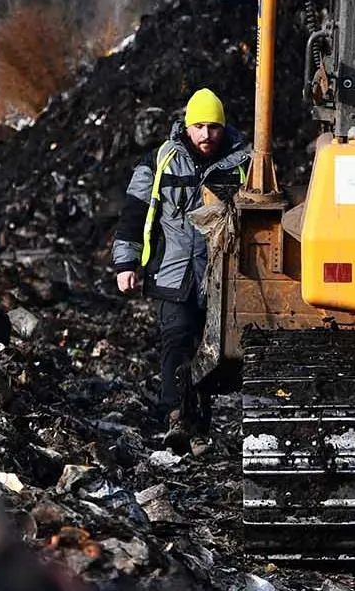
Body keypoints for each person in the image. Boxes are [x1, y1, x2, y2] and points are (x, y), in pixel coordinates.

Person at [110, 87, 250, 448]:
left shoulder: (245, 162)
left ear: (224, 128)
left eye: (214, 127)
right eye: (199, 126)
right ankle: (177, 417)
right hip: (172, 273)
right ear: (187, 126)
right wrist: (126, 262)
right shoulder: (160, 161)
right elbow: (133, 215)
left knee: (210, 349)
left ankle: (200, 424)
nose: (206, 135)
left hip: (220, 277)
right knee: (176, 338)